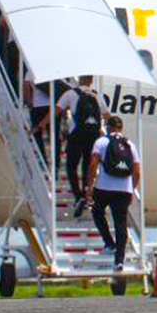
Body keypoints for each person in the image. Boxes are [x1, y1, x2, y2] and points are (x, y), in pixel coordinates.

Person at [85, 115, 141, 271]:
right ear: (121, 128)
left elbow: (92, 165)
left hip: (103, 187)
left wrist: (90, 187)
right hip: (123, 190)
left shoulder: (101, 142)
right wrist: (132, 189)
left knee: (97, 212)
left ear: (108, 127)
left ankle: (109, 243)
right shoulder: (130, 145)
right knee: (120, 224)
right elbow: (137, 172)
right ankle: (119, 261)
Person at [57, 75, 108, 215]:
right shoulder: (97, 96)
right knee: (87, 166)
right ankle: (86, 194)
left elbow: (57, 110)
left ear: (79, 80)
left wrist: (43, 126)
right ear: (91, 81)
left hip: (77, 134)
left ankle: (78, 195)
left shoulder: (70, 94)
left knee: (71, 166)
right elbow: (107, 115)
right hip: (93, 135)